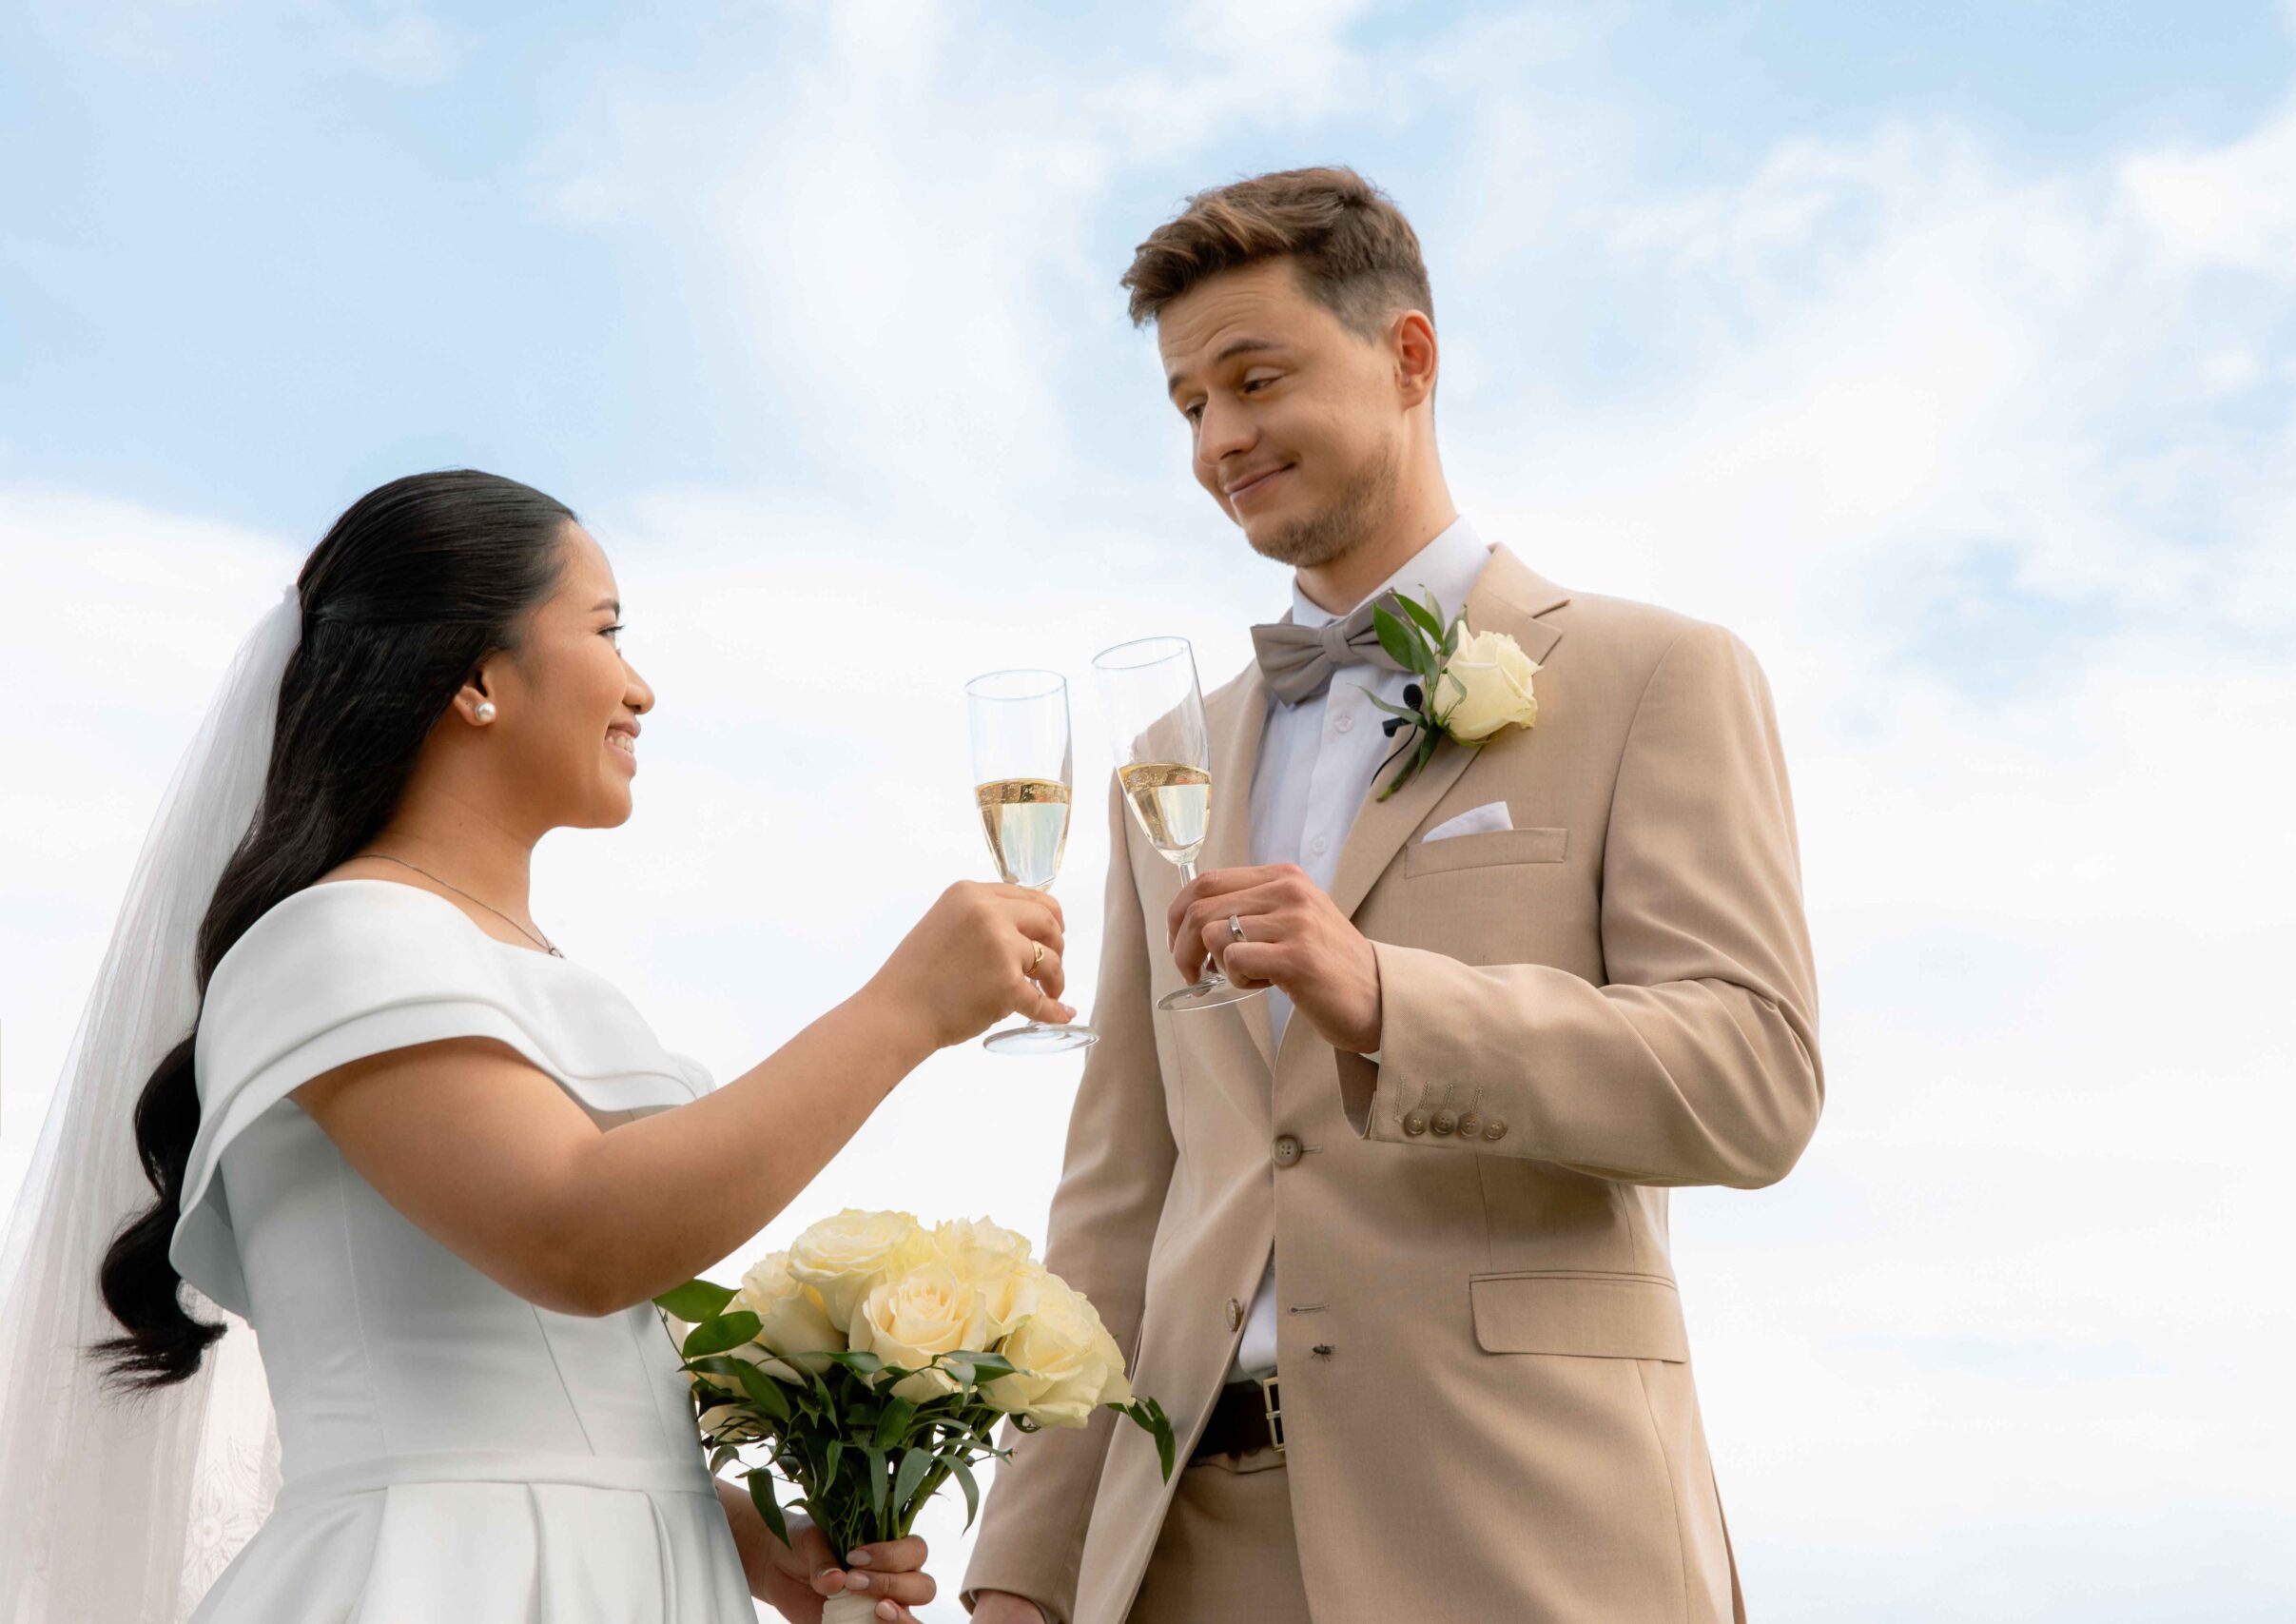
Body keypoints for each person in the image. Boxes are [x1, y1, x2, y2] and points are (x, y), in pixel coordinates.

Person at [963, 168, 1822, 1623]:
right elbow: (1116, 1200)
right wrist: (1024, 1575)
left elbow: (1753, 1077)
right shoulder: (1164, 762)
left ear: (1409, 358)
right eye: (1187, 405)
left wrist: (1385, 998)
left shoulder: (1654, 675)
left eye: (1256, 378)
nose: (1221, 438)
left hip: (1520, 1527)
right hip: (1185, 1548)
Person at [0, 469, 1075, 1622]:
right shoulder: (332, 937)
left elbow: (552, 1385)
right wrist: (903, 1011)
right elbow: (574, 1238)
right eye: (608, 630)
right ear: (475, 678)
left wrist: (752, 1544)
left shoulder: (539, 977)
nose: (643, 687)